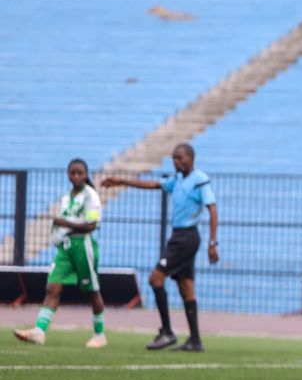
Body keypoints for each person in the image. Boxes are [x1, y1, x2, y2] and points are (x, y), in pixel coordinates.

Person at [101, 143, 218, 351]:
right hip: (180, 236)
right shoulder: (178, 179)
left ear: (191, 157)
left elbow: (213, 210)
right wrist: (122, 181)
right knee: (186, 286)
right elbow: (154, 184)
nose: (176, 161)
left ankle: (167, 332)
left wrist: (213, 243)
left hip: (186, 238)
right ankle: (195, 340)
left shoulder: (200, 179)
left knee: (155, 278)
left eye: (180, 157)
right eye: (174, 158)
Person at [14, 159, 108, 348]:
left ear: (86, 174)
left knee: (92, 291)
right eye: (73, 173)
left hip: (83, 245)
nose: (76, 176)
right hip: (65, 247)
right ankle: (39, 331)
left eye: (80, 173)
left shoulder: (91, 196)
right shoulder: (66, 197)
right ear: (68, 174)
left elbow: (92, 225)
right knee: (52, 287)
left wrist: (64, 223)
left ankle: (100, 335)